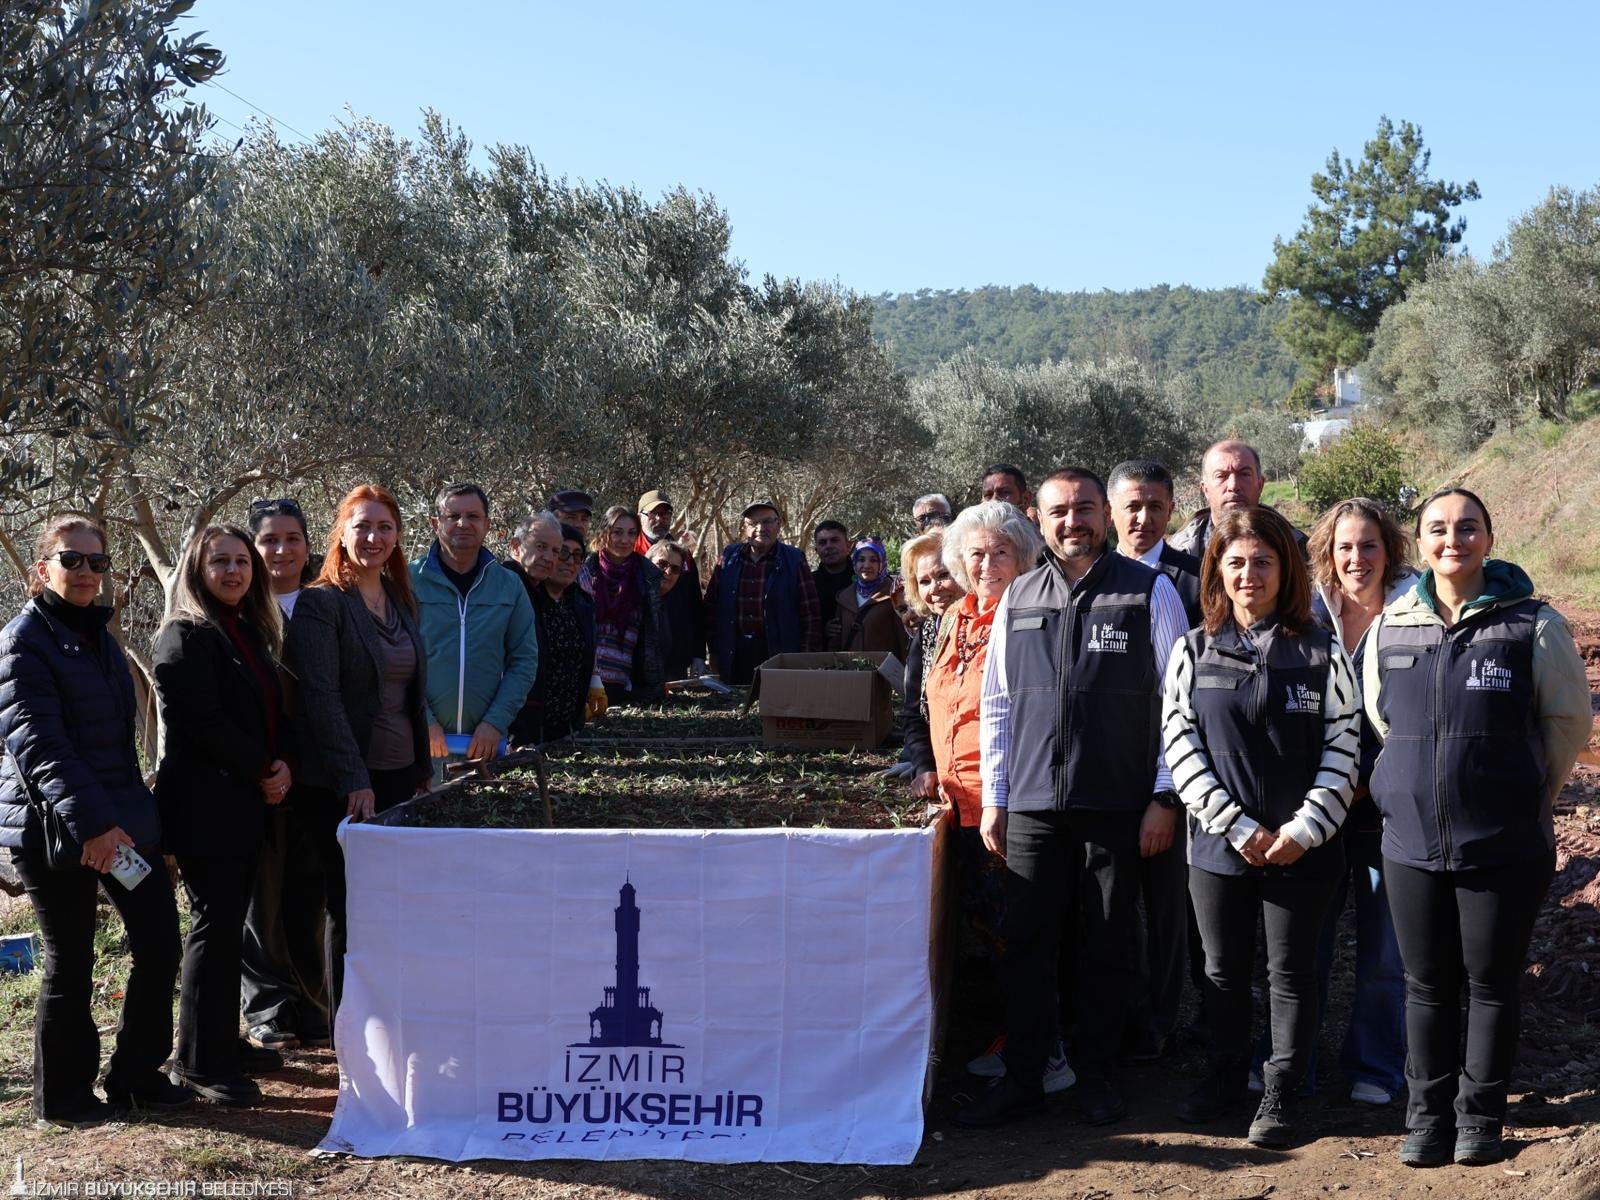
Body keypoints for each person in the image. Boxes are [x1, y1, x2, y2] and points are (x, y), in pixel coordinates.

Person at [1363, 487, 1590, 1168]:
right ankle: (1427, 1120)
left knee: (1491, 983)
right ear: (1421, 540)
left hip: (1503, 843)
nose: (1452, 540)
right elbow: (1382, 719)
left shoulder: (1533, 623)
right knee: (1426, 985)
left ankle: (1480, 1120)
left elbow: (1567, 725)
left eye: (1467, 528)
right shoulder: (1392, 623)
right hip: (1409, 843)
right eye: (1438, 528)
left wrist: (1518, 793)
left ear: (1489, 539)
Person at [956, 468, 1188, 1130]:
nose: (1071, 521)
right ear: (1039, 518)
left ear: (1104, 516)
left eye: (1084, 508)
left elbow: (1179, 700)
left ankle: (1097, 1076)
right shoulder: (1020, 595)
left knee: (1108, 946)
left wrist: (1166, 795)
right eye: (1058, 511)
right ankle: (1025, 1078)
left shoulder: (1150, 591)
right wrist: (996, 798)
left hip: (1116, 804)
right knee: (1027, 943)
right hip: (1030, 804)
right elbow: (996, 703)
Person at [1162, 507, 1360, 1148]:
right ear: (1218, 569)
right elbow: (1180, 745)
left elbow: (1345, 745)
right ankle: (1222, 1077)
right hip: (1220, 849)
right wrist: (1235, 826)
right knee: (1220, 971)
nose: (1251, 574)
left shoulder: (1321, 652)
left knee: (1291, 972)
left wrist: (1304, 829)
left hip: (1304, 849)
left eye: (1264, 561)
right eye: (1237, 561)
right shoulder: (1192, 649)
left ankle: (1280, 1092)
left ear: (1287, 569)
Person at [0, 515, 187, 1126]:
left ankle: (134, 1076)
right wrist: (95, 827)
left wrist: (139, 828)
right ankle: (64, 1098)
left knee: (160, 941)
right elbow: (40, 744)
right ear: (41, 567)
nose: (85, 572)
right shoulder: (23, 640)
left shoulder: (98, 638)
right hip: (54, 832)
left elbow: (116, 750)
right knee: (71, 959)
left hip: (116, 827)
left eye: (96, 562)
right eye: (71, 559)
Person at [1248, 498, 1418, 1105]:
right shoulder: (1303, 612)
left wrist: (1372, 776)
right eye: (1344, 546)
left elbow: (1423, 713)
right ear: (1326, 551)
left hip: (1387, 809)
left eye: (1368, 545)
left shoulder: (1415, 614)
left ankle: (1375, 1066)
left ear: (1389, 550)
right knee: (1301, 946)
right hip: (1310, 811)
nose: (1356, 558)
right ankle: (1287, 1065)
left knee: (1383, 948)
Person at [926, 505, 1073, 1091]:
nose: (986, 565)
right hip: (957, 801)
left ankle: (1045, 1053)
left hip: (1007, 801)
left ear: (1023, 558)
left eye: (1000, 553)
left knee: (1022, 933)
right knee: (988, 931)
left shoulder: (1031, 615)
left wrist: (1003, 800)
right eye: (976, 554)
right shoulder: (954, 617)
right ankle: (1009, 1040)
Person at [152, 526, 292, 1107]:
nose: (234, 571)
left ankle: (221, 1042)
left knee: (228, 926)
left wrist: (278, 765)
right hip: (206, 808)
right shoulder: (183, 638)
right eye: (221, 562)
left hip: (242, 804)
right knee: (212, 928)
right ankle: (200, 1063)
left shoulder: (244, 631)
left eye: (241, 562)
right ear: (197, 569)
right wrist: (265, 767)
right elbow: (204, 726)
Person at [283, 485, 431, 1022]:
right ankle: (345, 1037)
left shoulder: (400, 599)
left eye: (385, 528)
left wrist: (420, 769)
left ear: (397, 537)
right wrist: (354, 778)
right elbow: (320, 698)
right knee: (348, 909)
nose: (373, 537)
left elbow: (409, 695)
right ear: (341, 533)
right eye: (362, 526)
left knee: (391, 906)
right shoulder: (322, 603)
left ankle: (386, 1020)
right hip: (343, 785)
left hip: (398, 776)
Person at [1106, 458, 1202, 1063]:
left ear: (1172, 511)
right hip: (1103, 776)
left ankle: (1161, 1023)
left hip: (1175, 772)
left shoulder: (1196, 578)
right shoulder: (1073, 576)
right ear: (1112, 509)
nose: (1143, 518)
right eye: (1132, 506)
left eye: (1155, 506)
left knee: (1169, 907)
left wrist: (1171, 788)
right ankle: (1116, 1017)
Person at [242, 498, 330, 1054]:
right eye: (269, 540)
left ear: (307, 543)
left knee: (308, 894)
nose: (281, 550)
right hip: (256, 773)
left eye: (291, 539)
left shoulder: (327, 603)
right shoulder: (236, 605)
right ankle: (265, 1010)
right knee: (260, 898)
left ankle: (312, 1005)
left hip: (318, 771)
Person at [411, 483, 538, 779]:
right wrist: (422, 720)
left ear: (487, 525)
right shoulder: (408, 581)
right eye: (452, 516)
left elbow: (524, 661)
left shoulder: (509, 586)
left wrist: (496, 722)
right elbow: (394, 660)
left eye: (473, 516)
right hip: (419, 748)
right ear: (435, 523)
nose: (463, 524)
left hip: (486, 748)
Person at [705, 500, 822, 685]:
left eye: (767, 521)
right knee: (736, 708)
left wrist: (804, 658)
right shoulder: (729, 556)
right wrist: (714, 651)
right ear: (744, 527)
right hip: (735, 653)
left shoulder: (794, 559)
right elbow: (711, 606)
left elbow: (810, 614)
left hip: (778, 654)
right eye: (753, 523)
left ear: (778, 524)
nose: (761, 528)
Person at [505, 512, 594, 745]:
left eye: (555, 551)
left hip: (561, 731)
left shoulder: (577, 601)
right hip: (514, 729)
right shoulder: (504, 589)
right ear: (516, 546)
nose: (549, 557)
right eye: (541, 546)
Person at [898, 529, 966, 805]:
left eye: (943, 575)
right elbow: (914, 713)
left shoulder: (996, 625)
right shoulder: (926, 635)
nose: (934, 589)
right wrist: (924, 766)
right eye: (924, 581)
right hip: (944, 777)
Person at [579, 506, 665, 705]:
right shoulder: (584, 571)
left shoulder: (648, 577)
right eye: (617, 532)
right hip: (585, 680)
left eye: (631, 533)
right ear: (604, 533)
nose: (625, 540)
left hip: (626, 683)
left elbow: (654, 634)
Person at [1170, 440, 1307, 560]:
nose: (1233, 485)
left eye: (1244, 474)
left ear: (1260, 484)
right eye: (1221, 476)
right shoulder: (1176, 554)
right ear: (1205, 489)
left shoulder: (1300, 550)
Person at [829, 537, 909, 659]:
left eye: (873, 560)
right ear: (854, 564)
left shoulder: (895, 595)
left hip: (883, 674)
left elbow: (904, 640)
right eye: (861, 560)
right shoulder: (844, 598)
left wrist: (904, 674)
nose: (867, 565)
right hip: (851, 673)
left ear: (881, 564)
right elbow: (836, 641)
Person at [646, 540, 703, 680]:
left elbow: (698, 616)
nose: (667, 572)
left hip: (674, 675)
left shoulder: (681, 601)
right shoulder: (632, 599)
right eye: (662, 564)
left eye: (675, 569)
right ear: (647, 562)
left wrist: (698, 655)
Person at [811, 519, 854, 630]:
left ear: (848, 545)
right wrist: (822, 630)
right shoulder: (808, 583)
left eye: (834, 540)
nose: (828, 546)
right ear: (817, 550)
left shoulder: (866, 579)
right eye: (822, 543)